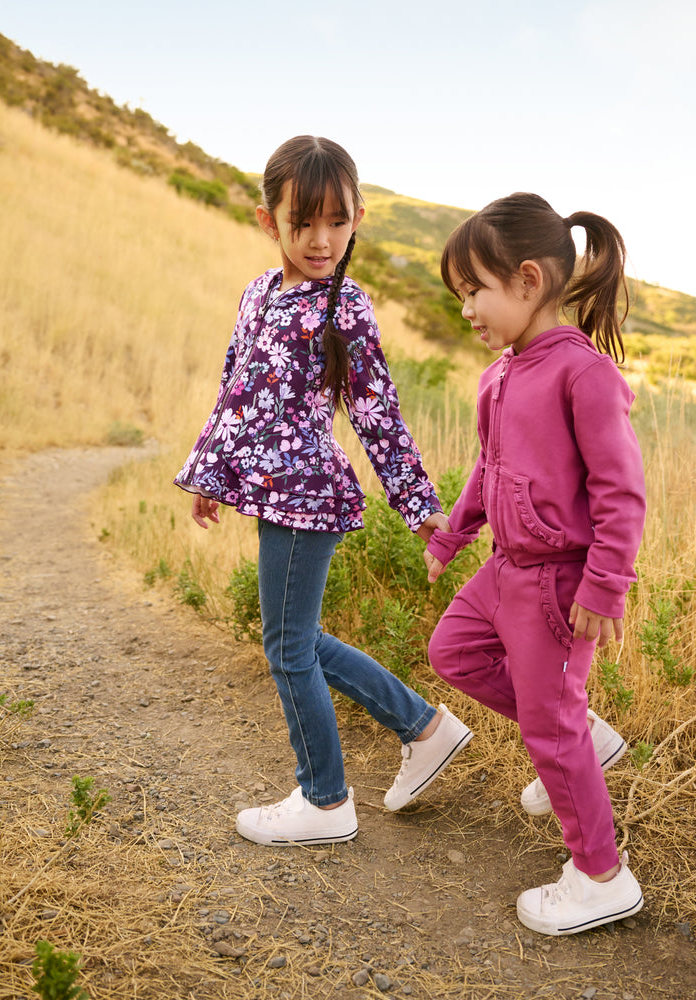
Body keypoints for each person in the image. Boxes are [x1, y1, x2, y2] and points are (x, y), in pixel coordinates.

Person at [174, 135, 473, 847]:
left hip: (310, 498)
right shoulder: (257, 294)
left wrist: (418, 504)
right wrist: (209, 474)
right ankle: (424, 728)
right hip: (268, 491)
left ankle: (326, 801)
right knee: (295, 637)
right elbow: (234, 391)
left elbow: (377, 415)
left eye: (336, 222)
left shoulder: (349, 309)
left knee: (286, 646)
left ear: (358, 218)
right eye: (301, 222)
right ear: (266, 220)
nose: (320, 239)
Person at [423, 192, 645, 934]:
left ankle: (599, 875)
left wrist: (605, 586)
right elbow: (486, 472)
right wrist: (451, 537)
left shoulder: (583, 375)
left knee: (548, 730)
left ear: (526, 280)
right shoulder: (497, 377)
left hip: (557, 580)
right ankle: (582, 736)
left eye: (474, 292)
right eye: (459, 298)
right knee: (451, 650)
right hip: (504, 569)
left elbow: (621, 492)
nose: (467, 312)